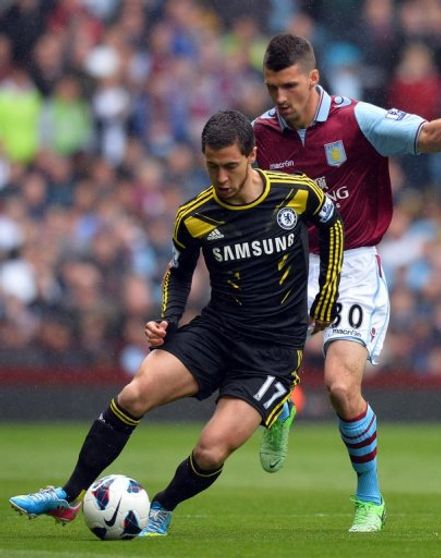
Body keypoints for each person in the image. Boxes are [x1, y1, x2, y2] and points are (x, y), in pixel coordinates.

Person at [9, 109, 344, 537]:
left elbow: (332, 222)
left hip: (271, 352)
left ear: (253, 155)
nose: (221, 178)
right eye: (212, 166)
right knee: (135, 393)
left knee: (210, 450)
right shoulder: (194, 216)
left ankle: (163, 507)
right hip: (216, 331)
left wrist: (329, 290)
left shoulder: (295, 193)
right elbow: (178, 272)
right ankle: (67, 495)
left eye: (230, 166)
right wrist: (167, 321)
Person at [253, 33, 441, 533]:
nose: (280, 97)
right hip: (293, 266)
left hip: (355, 265)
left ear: (313, 79)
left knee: (342, 387)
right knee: (251, 368)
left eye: (290, 85)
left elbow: (425, 136)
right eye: (272, 86)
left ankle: (370, 496)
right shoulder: (261, 133)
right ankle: (278, 408)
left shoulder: (355, 119)